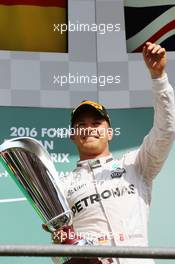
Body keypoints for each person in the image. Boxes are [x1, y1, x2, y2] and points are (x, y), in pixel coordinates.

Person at [43, 42, 175, 264]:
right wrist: (61, 245)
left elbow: (167, 129)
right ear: (72, 135)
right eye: (81, 124)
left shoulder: (136, 164)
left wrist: (159, 78)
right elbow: (59, 256)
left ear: (110, 133)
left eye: (96, 123)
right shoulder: (62, 185)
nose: (89, 128)